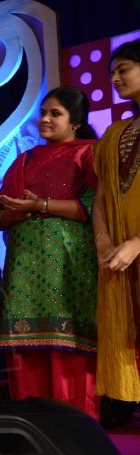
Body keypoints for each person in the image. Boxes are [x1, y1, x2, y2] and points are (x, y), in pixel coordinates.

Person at [0, 87, 99, 417]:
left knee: (69, 349)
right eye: (44, 112)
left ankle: (79, 433)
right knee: (28, 349)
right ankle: (35, 430)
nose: (45, 119)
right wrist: (15, 213)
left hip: (70, 263)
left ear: (75, 121)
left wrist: (41, 204)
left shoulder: (89, 153)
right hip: (25, 265)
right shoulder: (24, 159)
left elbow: (96, 206)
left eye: (56, 114)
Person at [96, 41, 140, 426]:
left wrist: (137, 243)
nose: (114, 78)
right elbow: (101, 198)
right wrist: (104, 241)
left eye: (123, 68)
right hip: (118, 252)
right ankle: (125, 397)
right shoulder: (114, 133)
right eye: (113, 71)